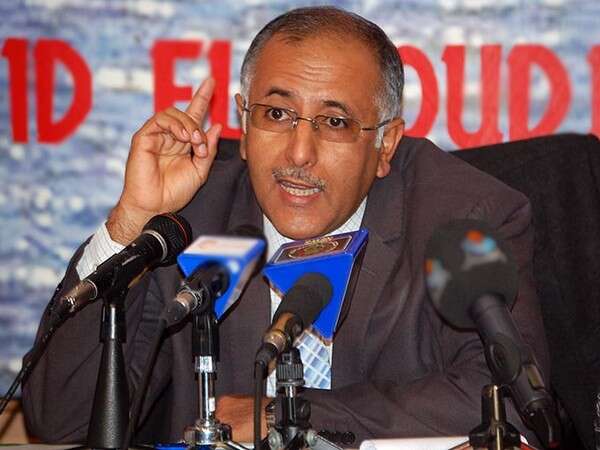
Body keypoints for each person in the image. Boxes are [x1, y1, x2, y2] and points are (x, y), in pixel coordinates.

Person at [22, 6, 549, 447]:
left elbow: (513, 402)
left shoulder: (463, 218)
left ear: (385, 143)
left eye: (335, 122)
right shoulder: (189, 222)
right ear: (244, 123)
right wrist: (132, 222)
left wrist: (287, 413)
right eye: (276, 115)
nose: (299, 154)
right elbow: (61, 419)